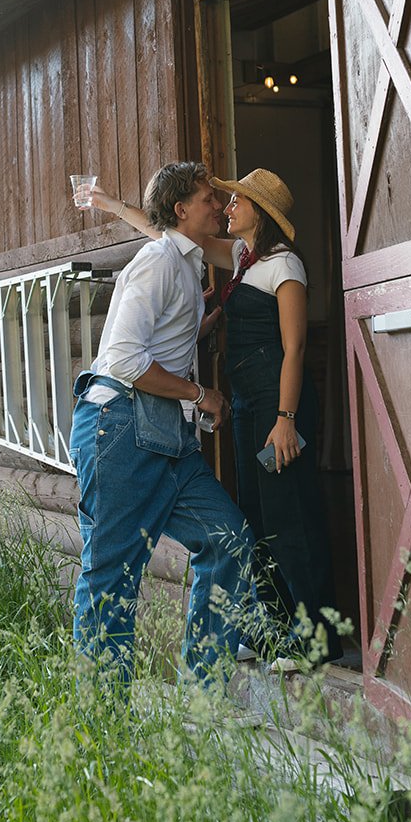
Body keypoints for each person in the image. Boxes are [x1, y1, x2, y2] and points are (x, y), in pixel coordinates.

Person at [90, 168, 341, 671]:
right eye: (219, 200)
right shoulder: (243, 259)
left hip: (278, 401)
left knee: (288, 517)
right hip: (247, 403)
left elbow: (295, 349)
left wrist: (286, 417)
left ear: (260, 213)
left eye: (236, 202)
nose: (226, 208)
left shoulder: (284, 265)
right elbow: (170, 234)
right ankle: (280, 629)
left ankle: (317, 640)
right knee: (256, 519)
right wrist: (115, 207)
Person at [69, 161, 254, 686]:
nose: (218, 206)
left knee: (228, 539)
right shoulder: (158, 262)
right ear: (181, 210)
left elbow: (167, 338)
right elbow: (125, 360)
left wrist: (216, 320)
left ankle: (203, 691)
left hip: (165, 433)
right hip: (121, 427)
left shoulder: (188, 265)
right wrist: (203, 393)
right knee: (112, 574)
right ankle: (102, 725)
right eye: (208, 199)